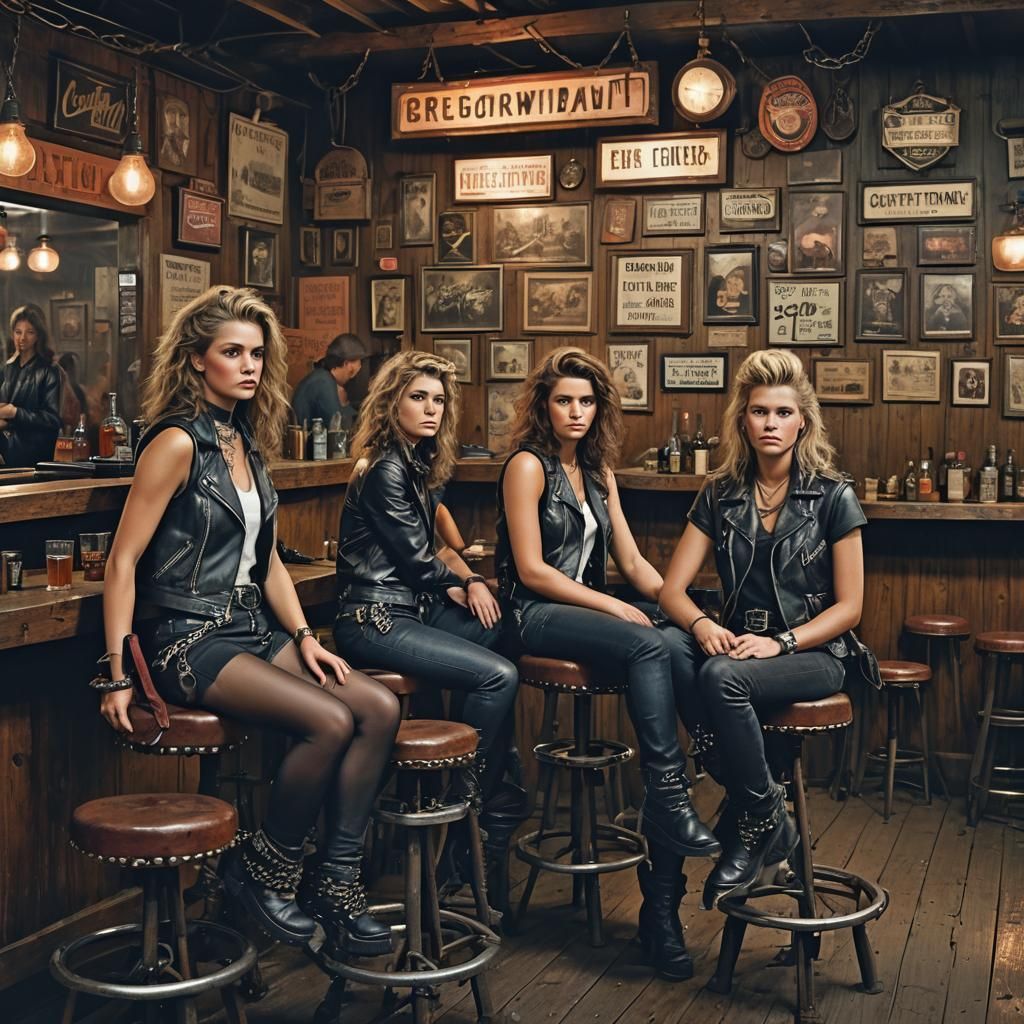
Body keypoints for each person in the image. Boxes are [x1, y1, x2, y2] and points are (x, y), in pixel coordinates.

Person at [98, 286, 400, 957]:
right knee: (329, 720)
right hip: (187, 637)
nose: (249, 365)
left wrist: (304, 638)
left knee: (377, 708)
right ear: (196, 358)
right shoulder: (176, 442)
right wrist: (116, 674)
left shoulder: (245, 442)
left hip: (250, 629)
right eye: (232, 352)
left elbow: (269, 565)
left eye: (257, 354)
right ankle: (261, 872)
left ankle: (336, 884)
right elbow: (122, 561)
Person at [495, 347, 720, 981]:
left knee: (674, 639)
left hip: (586, 613)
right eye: (564, 400)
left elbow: (635, 563)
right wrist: (615, 608)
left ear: (599, 409)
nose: (576, 411)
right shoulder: (526, 466)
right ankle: (670, 793)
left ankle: (685, 799)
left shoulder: (598, 473)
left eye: (587, 401)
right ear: (543, 405)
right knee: (646, 642)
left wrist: (684, 610)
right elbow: (533, 570)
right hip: (533, 613)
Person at [658, 349, 866, 916]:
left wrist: (782, 642)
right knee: (667, 645)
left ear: (803, 423)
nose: (770, 423)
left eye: (782, 412)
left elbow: (850, 608)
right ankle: (769, 814)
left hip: (816, 651)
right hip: (740, 646)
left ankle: (753, 820)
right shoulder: (720, 492)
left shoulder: (833, 495)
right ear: (742, 421)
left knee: (721, 677)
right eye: (759, 412)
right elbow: (672, 590)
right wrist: (701, 624)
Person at [333, 350, 520, 884]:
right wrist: (468, 582)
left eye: (439, 399)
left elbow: (429, 554)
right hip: (373, 618)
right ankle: (466, 809)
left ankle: (494, 790)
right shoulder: (387, 468)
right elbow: (419, 563)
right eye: (418, 397)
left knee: (506, 630)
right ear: (391, 403)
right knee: (497, 674)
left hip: (406, 613)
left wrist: (465, 582)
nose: (432, 409)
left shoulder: (413, 464)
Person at [0, 304, 62, 467]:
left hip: (35, 458)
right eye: (18, 332)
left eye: (30, 332)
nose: (22, 338)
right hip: (6, 455)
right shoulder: (7, 368)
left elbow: (52, 420)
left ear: (38, 335)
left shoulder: (49, 370)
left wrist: (15, 412)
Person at [291, 333, 367, 431]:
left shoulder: (322, 376)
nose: (350, 379)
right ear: (346, 364)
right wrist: (344, 405)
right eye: (351, 374)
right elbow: (337, 427)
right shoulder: (323, 382)